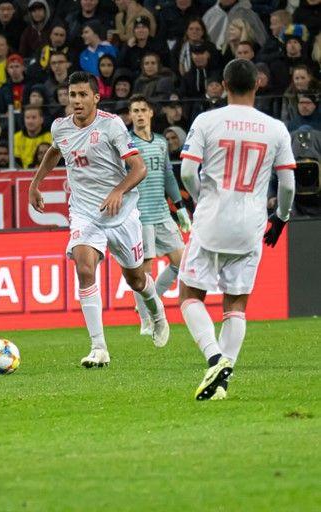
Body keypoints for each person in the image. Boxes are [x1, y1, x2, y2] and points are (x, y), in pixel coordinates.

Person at [29, 71, 170, 367]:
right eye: (72, 95)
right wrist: (35, 183)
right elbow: (55, 152)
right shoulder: (60, 127)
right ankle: (99, 348)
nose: (76, 101)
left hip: (120, 212)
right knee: (84, 267)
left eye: (82, 95)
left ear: (96, 97)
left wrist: (118, 191)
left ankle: (156, 312)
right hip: (84, 212)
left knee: (135, 278)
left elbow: (139, 167)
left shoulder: (112, 126)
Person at [179, 59, 296, 401]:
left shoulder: (207, 120)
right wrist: (282, 218)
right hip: (251, 225)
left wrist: (202, 200)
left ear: (224, 85)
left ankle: (215, 358)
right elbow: (287, 183)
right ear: (258, 85)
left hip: (212, 219)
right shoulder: (275, 128)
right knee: (236, 305)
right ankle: (222, 383)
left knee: (189, 296)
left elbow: (187, 172)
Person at [128, 95, 191, 336]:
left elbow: (167, 176)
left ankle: (147, 303)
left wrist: (180, 207)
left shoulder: (161, 142)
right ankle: (146, 320)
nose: (140, 114)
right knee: (145, 270)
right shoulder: (127, 144)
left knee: (181, 261)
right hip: (140, 215)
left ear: (151, 113)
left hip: (163, 213)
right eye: (135, 110)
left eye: (143, 109)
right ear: (131, 115)